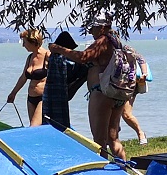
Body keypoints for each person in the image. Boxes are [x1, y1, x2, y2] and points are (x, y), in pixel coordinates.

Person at [49, 19, 129, 159]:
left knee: (99, 141)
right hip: (116, 93)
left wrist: (58, 49)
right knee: (113, 138)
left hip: (101, 93)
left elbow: (83, 57)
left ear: (103, 28)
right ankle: (123, 170)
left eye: (93, 28)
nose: (90, 31)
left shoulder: (103, 41)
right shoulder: (115, 40)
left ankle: (104, 174)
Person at [6, 29, 52, 126]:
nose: (23, 45)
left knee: (33, 127)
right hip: (31, 98)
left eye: (25, 42)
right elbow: (23, 78)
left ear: (33, 41)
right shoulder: (30, 57)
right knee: (37, 128)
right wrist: (13, 93)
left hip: (43, 98)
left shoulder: (47, 55)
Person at [42, 31, 84, 133]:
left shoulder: (52, 57)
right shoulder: (63, 59)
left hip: (48, 94)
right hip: (60, 95)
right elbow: (80, 68)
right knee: (61, 123)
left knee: (48, 121)